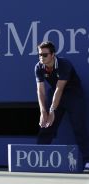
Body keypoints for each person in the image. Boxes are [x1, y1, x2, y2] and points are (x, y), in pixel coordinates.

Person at [34, 41, 89, 171]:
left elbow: (60, 88)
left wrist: (52, 110)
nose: (41, 57)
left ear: (53, 55)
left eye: (45, 54)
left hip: (73, 94)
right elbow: (40, 91)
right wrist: (43, 112)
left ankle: (87, 160)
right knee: (46, 125)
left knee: (78, 127)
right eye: (40, 54)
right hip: (55, 93)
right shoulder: (38, 67)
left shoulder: (64, 64)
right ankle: (38, 158)